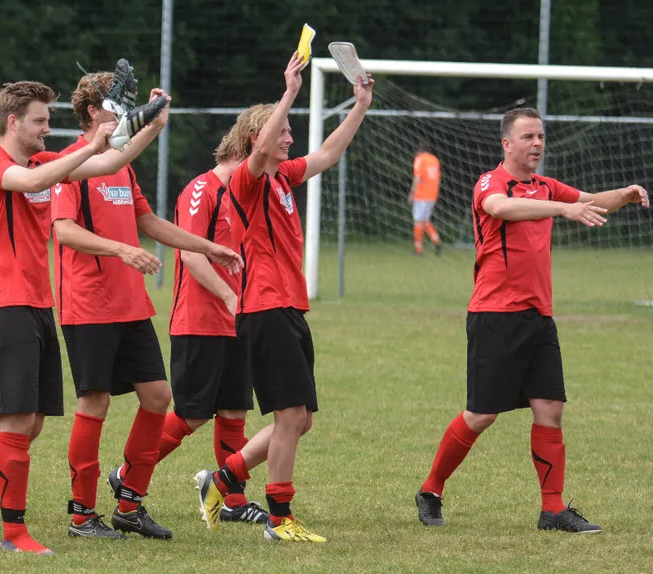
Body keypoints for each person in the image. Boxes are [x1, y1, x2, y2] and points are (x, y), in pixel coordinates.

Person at [0, 79, 167, 554]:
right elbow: (33, 183)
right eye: (40, 121)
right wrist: (91, 142)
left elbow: (109, 163)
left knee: (32, 425)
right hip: (1, 306)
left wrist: (151, 124)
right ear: (13, 122)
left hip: (36, 307)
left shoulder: (42, 162)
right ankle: (15, 532)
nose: (48, 128)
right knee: (16, 424)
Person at [414, 106, 649, 533]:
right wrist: (561, 209)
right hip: (494, 315)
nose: (537, 143)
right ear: (507, 143)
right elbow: (501, 207)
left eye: (540, 136)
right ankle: (431, 490)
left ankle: (553, 509)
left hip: (539, 317)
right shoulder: (491, 182)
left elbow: (589, 200)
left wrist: (625, 194)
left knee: (550, 409)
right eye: (528, 136)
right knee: (481, 415)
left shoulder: (546, 187)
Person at [53, 71, 242, 541]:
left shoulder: (122, 164)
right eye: (117, 104)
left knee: (158, 397)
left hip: (131, 305)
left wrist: (208, 247)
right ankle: (81, 515)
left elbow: (148, 221)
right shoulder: (69, 163)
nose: (126, 111)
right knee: (94, 402)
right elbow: (64, 230)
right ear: (93, 111)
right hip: (89, 304)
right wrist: (121, 250)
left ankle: (129, 505)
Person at [194, 55, 373, 543]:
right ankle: (279, 519)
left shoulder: (282, 178)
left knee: (301, 420)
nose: (290, 138)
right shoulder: (247, 180)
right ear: (259, 138)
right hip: (265, 309)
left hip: (288, 310)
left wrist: (359, 106)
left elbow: (328, 153)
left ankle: (224, 478)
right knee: (290, 417)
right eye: (284, 130)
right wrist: (289, 92)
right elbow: (260, 149)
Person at [130, 124, 266, 525]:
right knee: (191, 415)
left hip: (237, 318)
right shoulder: (201, 190)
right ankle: (128, 475)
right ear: (246, 147)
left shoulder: (246, 193)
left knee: (235, 412)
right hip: (200, 320)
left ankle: (234, 501)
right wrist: (228, 297)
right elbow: (190, 255)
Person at [408, 143, 441, 254]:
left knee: (418, 221)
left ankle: (418, 249)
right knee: (425, 220)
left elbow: (417, 177)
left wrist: (411, 194)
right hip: (432, 194)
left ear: (418, 151)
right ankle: (436, 242)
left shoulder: (420, 159)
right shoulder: (434, 159)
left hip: (421, 195)